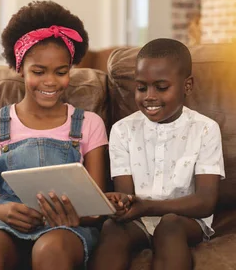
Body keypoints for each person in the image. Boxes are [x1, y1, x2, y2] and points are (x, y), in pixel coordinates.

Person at [0, 1, 108, 270]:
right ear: (20, 67)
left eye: (61, 72)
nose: (50, 82)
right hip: (3, 225)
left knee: (50, 249)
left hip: (64, 231)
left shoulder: (89, 124)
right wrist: (1, 212)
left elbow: (96, 210)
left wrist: (76, 216)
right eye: (38, 71)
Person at [90, 38, 225, 270]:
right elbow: (127, 196)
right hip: (138, 220)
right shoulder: (122, 130)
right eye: (141, 87)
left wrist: (148, 207)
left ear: (187, 85)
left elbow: (205, 202)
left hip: (185, 220)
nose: (149, 96)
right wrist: (121, 203)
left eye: (161, 87)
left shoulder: (205, 129)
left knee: (169, 225)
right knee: (113, 228)